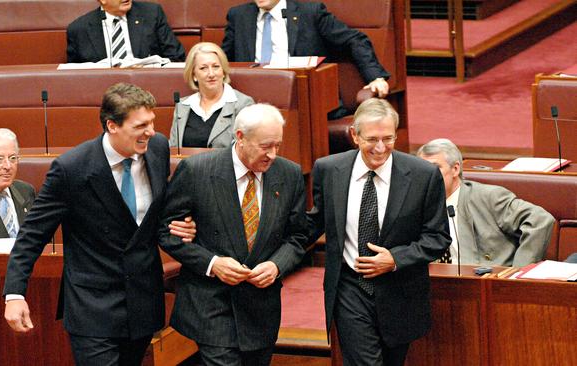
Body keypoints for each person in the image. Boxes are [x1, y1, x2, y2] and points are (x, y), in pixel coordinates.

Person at [3, 83, 195, 366]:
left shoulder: (157, 148)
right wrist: (14, 293)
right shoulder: (72, 168)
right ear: (112, 126)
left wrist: (179, 225)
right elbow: (33, 234)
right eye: (141, 125)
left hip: (141, 300)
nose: (151, 131)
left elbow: (153, 215)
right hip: (93, 306)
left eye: (152, 122)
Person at [159, 103, 308, 366]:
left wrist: (276, 265)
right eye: (265, 146)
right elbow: (167, 231)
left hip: (261, 309)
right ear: (240, 137)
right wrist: (213, 264)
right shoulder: (197, 171)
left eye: (277, 145)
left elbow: (297, 236)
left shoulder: (289, 174)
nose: (273, 154)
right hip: (212, 305)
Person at [307, 98, 451, 365]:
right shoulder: (329, 170)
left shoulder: (423, 175)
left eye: (388, 138)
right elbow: (312, 225)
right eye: (372, 139)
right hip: (350, 287)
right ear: (354, 135)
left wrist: (395, 259)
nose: (381, 147)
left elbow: (438, 237)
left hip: (400, 292)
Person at [417, 138, 555, 267]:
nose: (428, 176)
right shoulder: (415, 203)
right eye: (422, 170)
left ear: (455, 169)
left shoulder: (489, 197)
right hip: (433, 281)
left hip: (486, 281)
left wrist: (519, 271)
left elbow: (541, 220)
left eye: (435, 169)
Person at [221, 0, 390, 98]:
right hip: (251, 97)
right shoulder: (239, 16)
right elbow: (223, 58)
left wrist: (375, 77)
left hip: (301, 95)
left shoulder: (310, 12)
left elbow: (355, 40)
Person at [169, 42, 254, 148]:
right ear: (194, 74)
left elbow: (246, 151)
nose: (211, 74)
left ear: (223, 71)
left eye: (216, 67)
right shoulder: (182, 106)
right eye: (203, 68)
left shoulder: (243, 104)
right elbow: (173, 148)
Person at [66, 0, 185, 64]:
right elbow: (75, 73)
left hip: (146, 86)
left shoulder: (151, 14)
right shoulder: (79, 29)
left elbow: (176, 56)